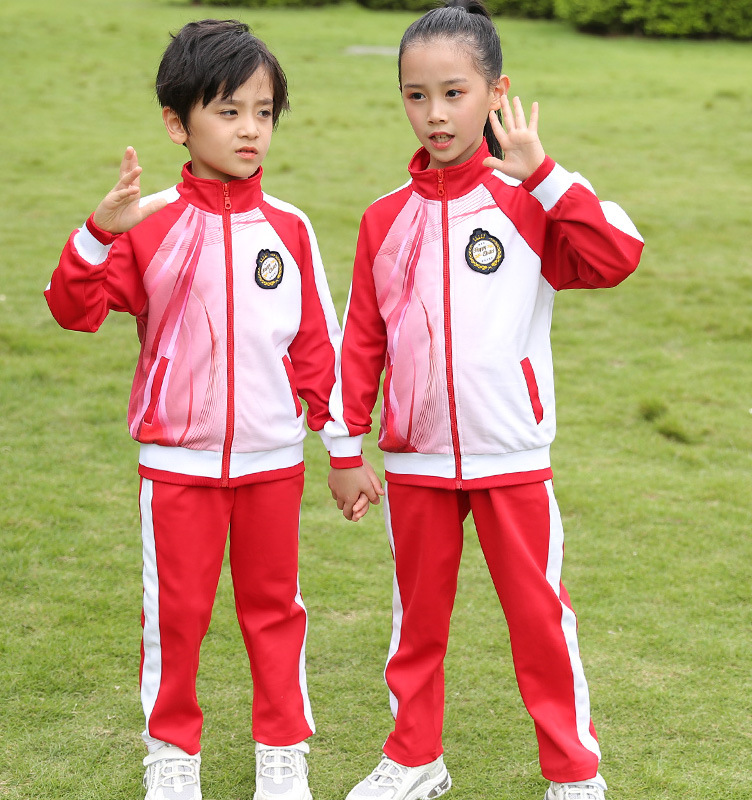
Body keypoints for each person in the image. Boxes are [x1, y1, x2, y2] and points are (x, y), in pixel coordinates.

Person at [45, 19, 377, 800]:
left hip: (272, 463)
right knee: (177, 618)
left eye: (263, 112)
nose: (250, 129)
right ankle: (171, 754)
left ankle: (282, 751)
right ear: (177, 123)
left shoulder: (289, 228)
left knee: (276, 612)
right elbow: (73, 309)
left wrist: (344, 452)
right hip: (177, 467)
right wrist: (98, 234)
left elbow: (317, 349)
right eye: (228, 111)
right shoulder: (147, 224)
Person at [326, 2, 644, 799]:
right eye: (415, 95)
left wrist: (542, 172)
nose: (435, 114)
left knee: (540, 622)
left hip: (512, 453)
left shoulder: (533, 202)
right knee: (415, 627)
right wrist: (343, 447)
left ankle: (574, 775)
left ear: (496, 93)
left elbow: (617, 255)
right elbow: (360, 341)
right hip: (416, 459)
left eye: (455, 93)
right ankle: (413, 760)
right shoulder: (382, 220)